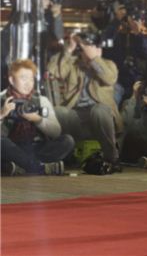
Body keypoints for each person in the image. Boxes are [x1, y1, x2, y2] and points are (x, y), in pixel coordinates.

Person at [48, 30, 123, 173]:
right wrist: (68, 50)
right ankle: (65, 156)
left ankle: (112, 158)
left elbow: (109, 78)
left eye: (91, 47)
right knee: (59, 111)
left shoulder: (109, 65)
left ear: (99, 50)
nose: (86, 51)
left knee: (99, 110)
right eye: (84, 49)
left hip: (100, 118)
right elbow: (53, 72)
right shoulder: (74, 65)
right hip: (77, 117)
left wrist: (94, 59)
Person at [1, 59, 74, 176]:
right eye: (23, 78)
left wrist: (37, 119)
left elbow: (56, 131)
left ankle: (22, 166)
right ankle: (39, 167)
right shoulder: (2, 99)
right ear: (11, 80)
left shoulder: (40, 100)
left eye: (31, 79)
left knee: (67, 141)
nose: (28, 83)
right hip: (12, 147)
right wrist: (2, 114)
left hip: (35, 148)